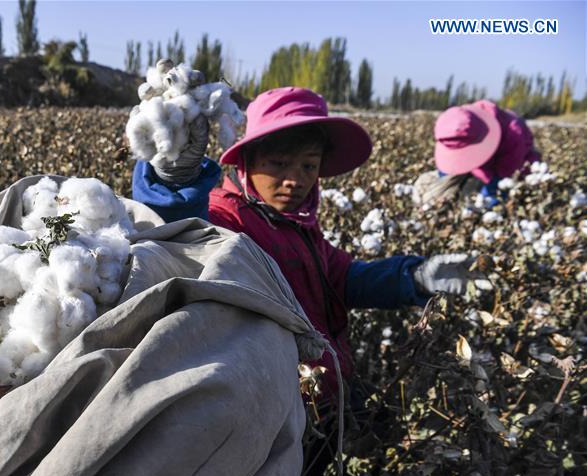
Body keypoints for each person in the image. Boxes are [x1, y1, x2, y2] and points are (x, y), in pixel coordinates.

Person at [132, 86, 490, 407]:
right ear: (246, 162)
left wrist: (413, 276)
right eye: (279, 164)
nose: (295, 180)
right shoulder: (231, 220)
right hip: (283, 414)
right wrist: (173, 182)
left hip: (327, 399)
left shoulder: (297, 224)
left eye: (308, 165)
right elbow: (185, 237)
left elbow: (342, 277)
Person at [415, 99, 541, 207]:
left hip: (513, 171)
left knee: (487, 201)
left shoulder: (514, 135)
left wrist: (485, 201)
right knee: (432, 189)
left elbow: (503, 177)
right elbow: (449, 169)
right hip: (483, 167)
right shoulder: (464, 120)